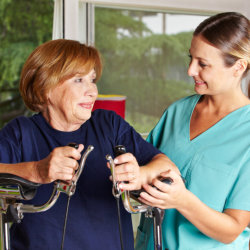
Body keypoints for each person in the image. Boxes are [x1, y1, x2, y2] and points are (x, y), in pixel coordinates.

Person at [0, 39, 178, 250]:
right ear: (45, 87)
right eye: (78, 80)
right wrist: (37, 170)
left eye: (92, 80)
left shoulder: (109, 125)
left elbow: (167, 168)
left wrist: (140, 173)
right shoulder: (21, 132)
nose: (92, 91)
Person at [135, 12, 250, 250]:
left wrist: (182, 200)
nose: (190, 70)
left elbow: (232, 230)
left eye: (203, 64)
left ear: (238, 67)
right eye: (191, 58)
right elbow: (144, 171)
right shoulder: (178, 112)